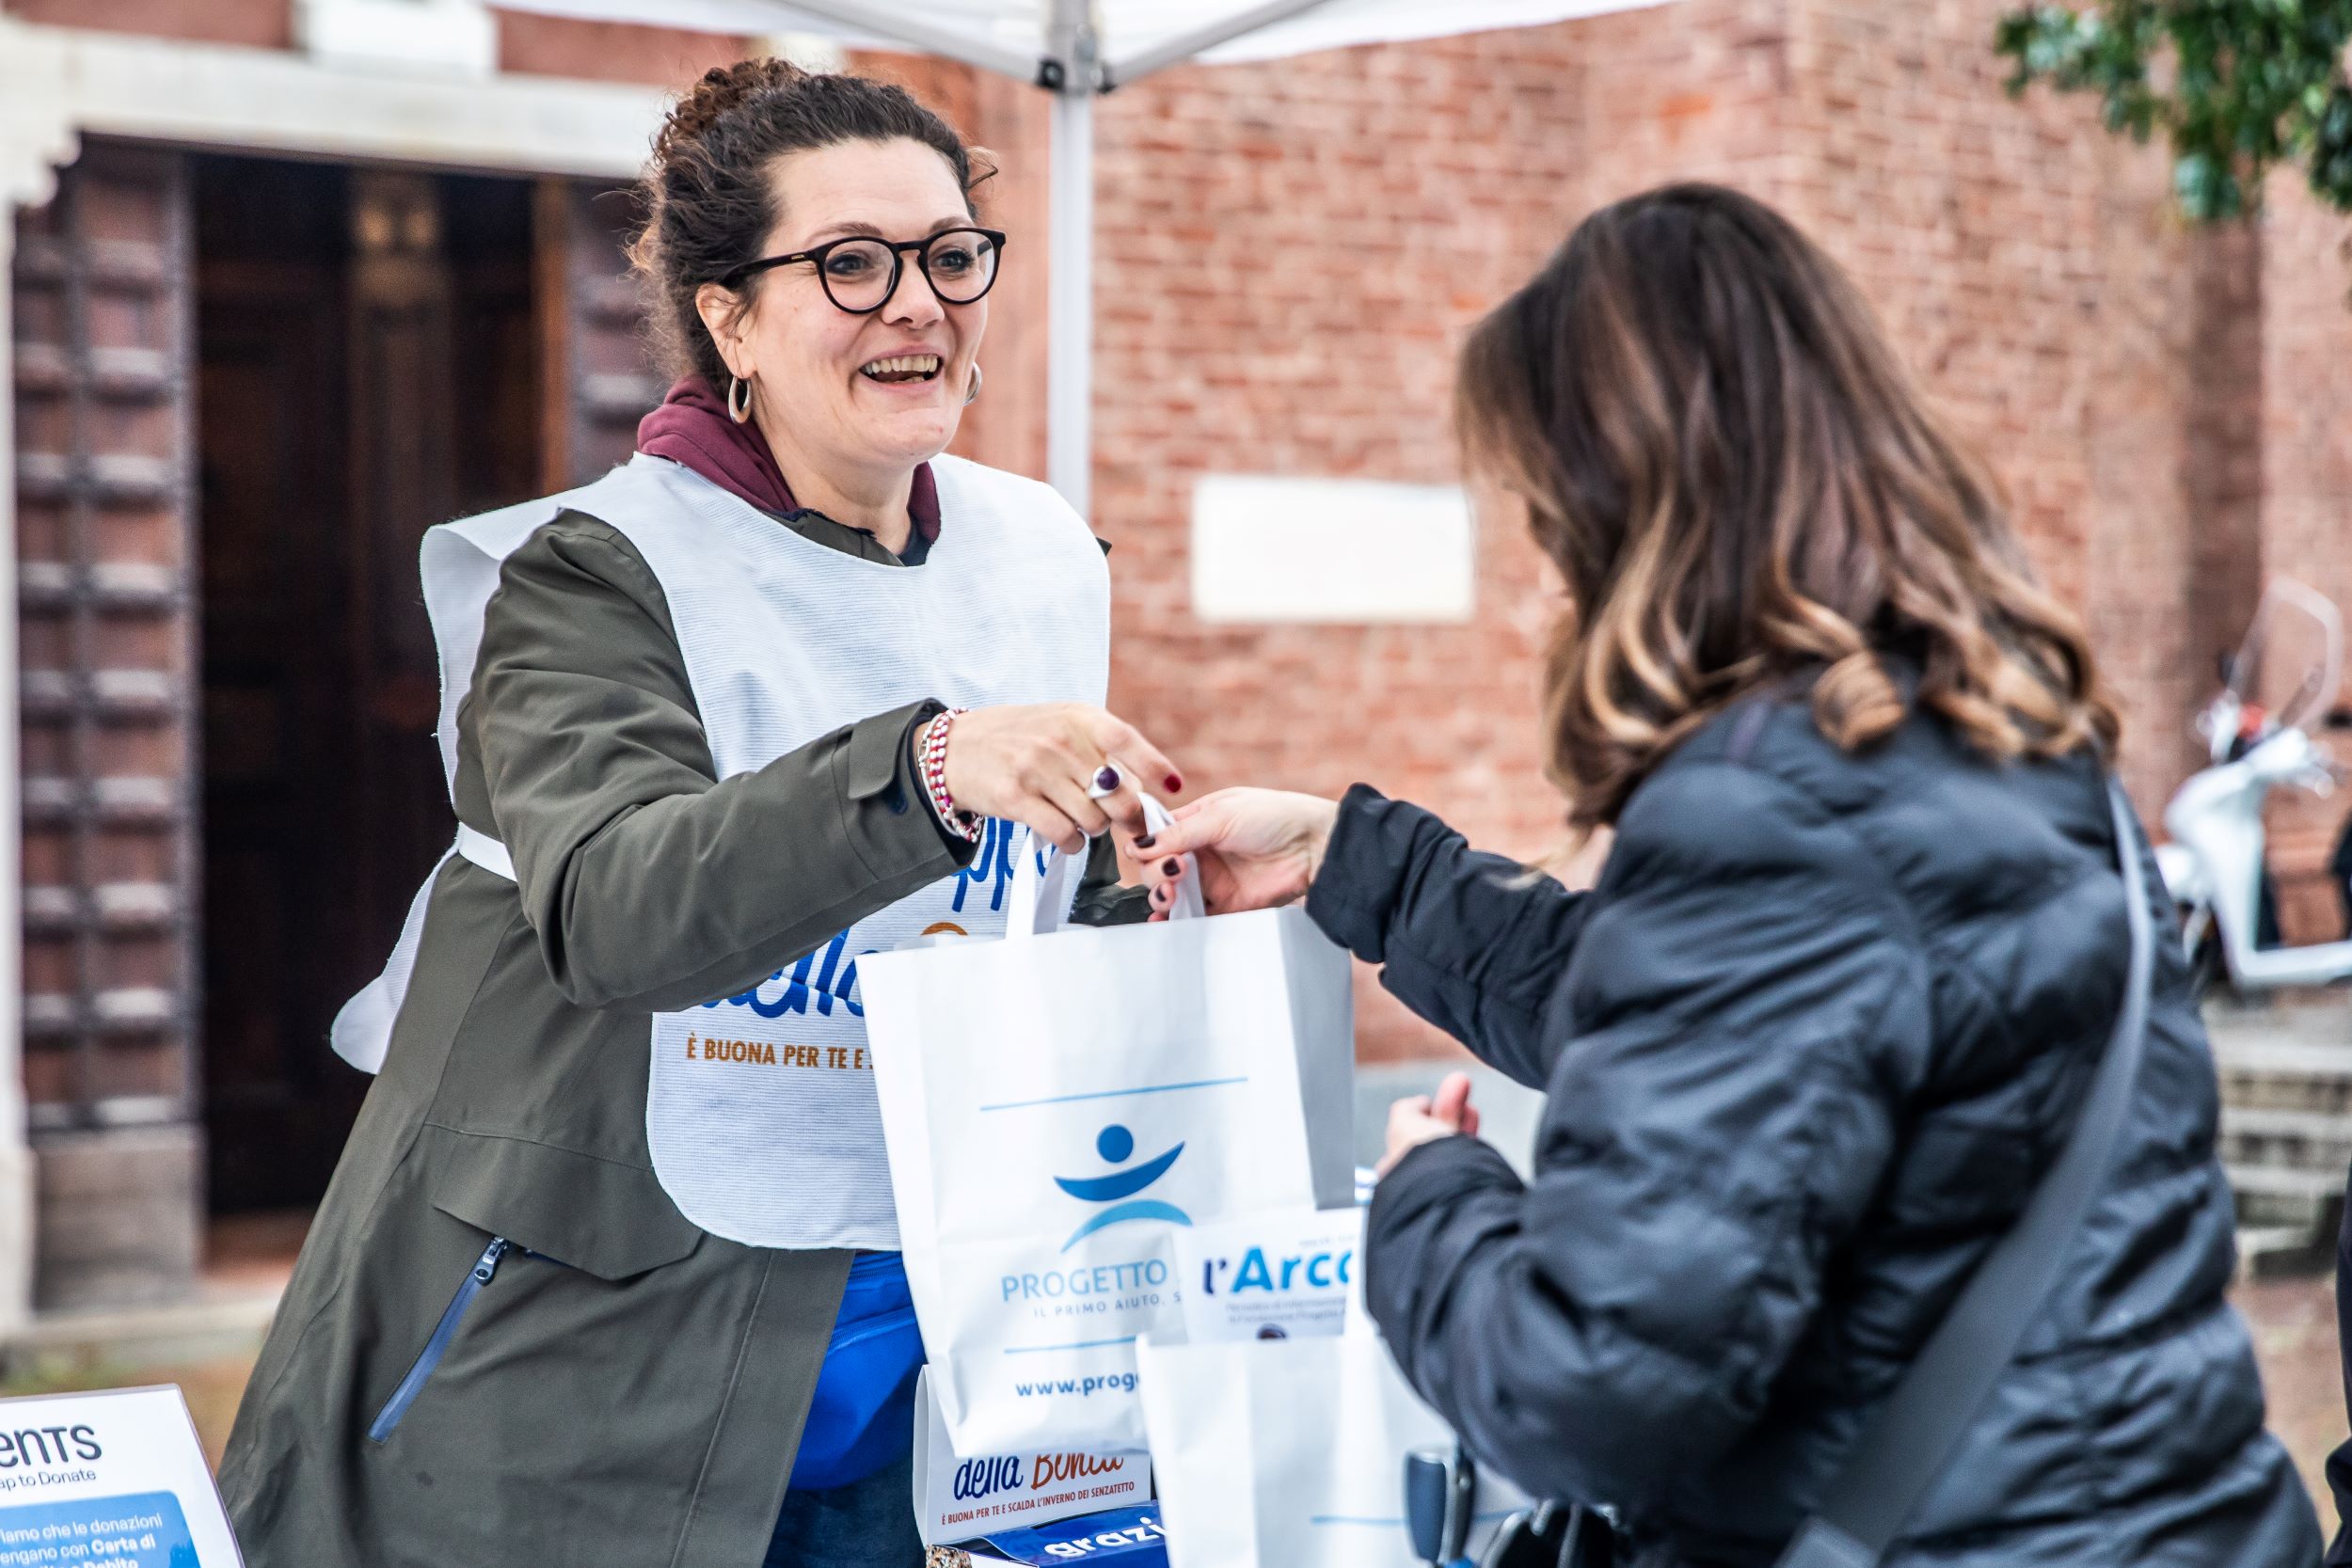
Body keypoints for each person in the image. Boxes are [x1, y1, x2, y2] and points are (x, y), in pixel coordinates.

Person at [1140, 184, 2321, 1565]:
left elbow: (1580, 1391)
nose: (1543, 584)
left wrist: (1429, 1197)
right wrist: (1363, 864)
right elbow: (1730, 1025)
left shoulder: (1771, 809)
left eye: (1544, 519)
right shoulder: (1981, 731)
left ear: (1624, 506)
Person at [217, 59, 1170, 1568]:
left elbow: (1043, 896)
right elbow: (615, 907)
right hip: (584, 1356)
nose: (916, 302)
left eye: (948, 255)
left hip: (928, 1335)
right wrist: (923, 770)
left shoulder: (1040, 550)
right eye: (848, 265)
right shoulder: (591, 576)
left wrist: (1165, 884)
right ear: (727, 315)